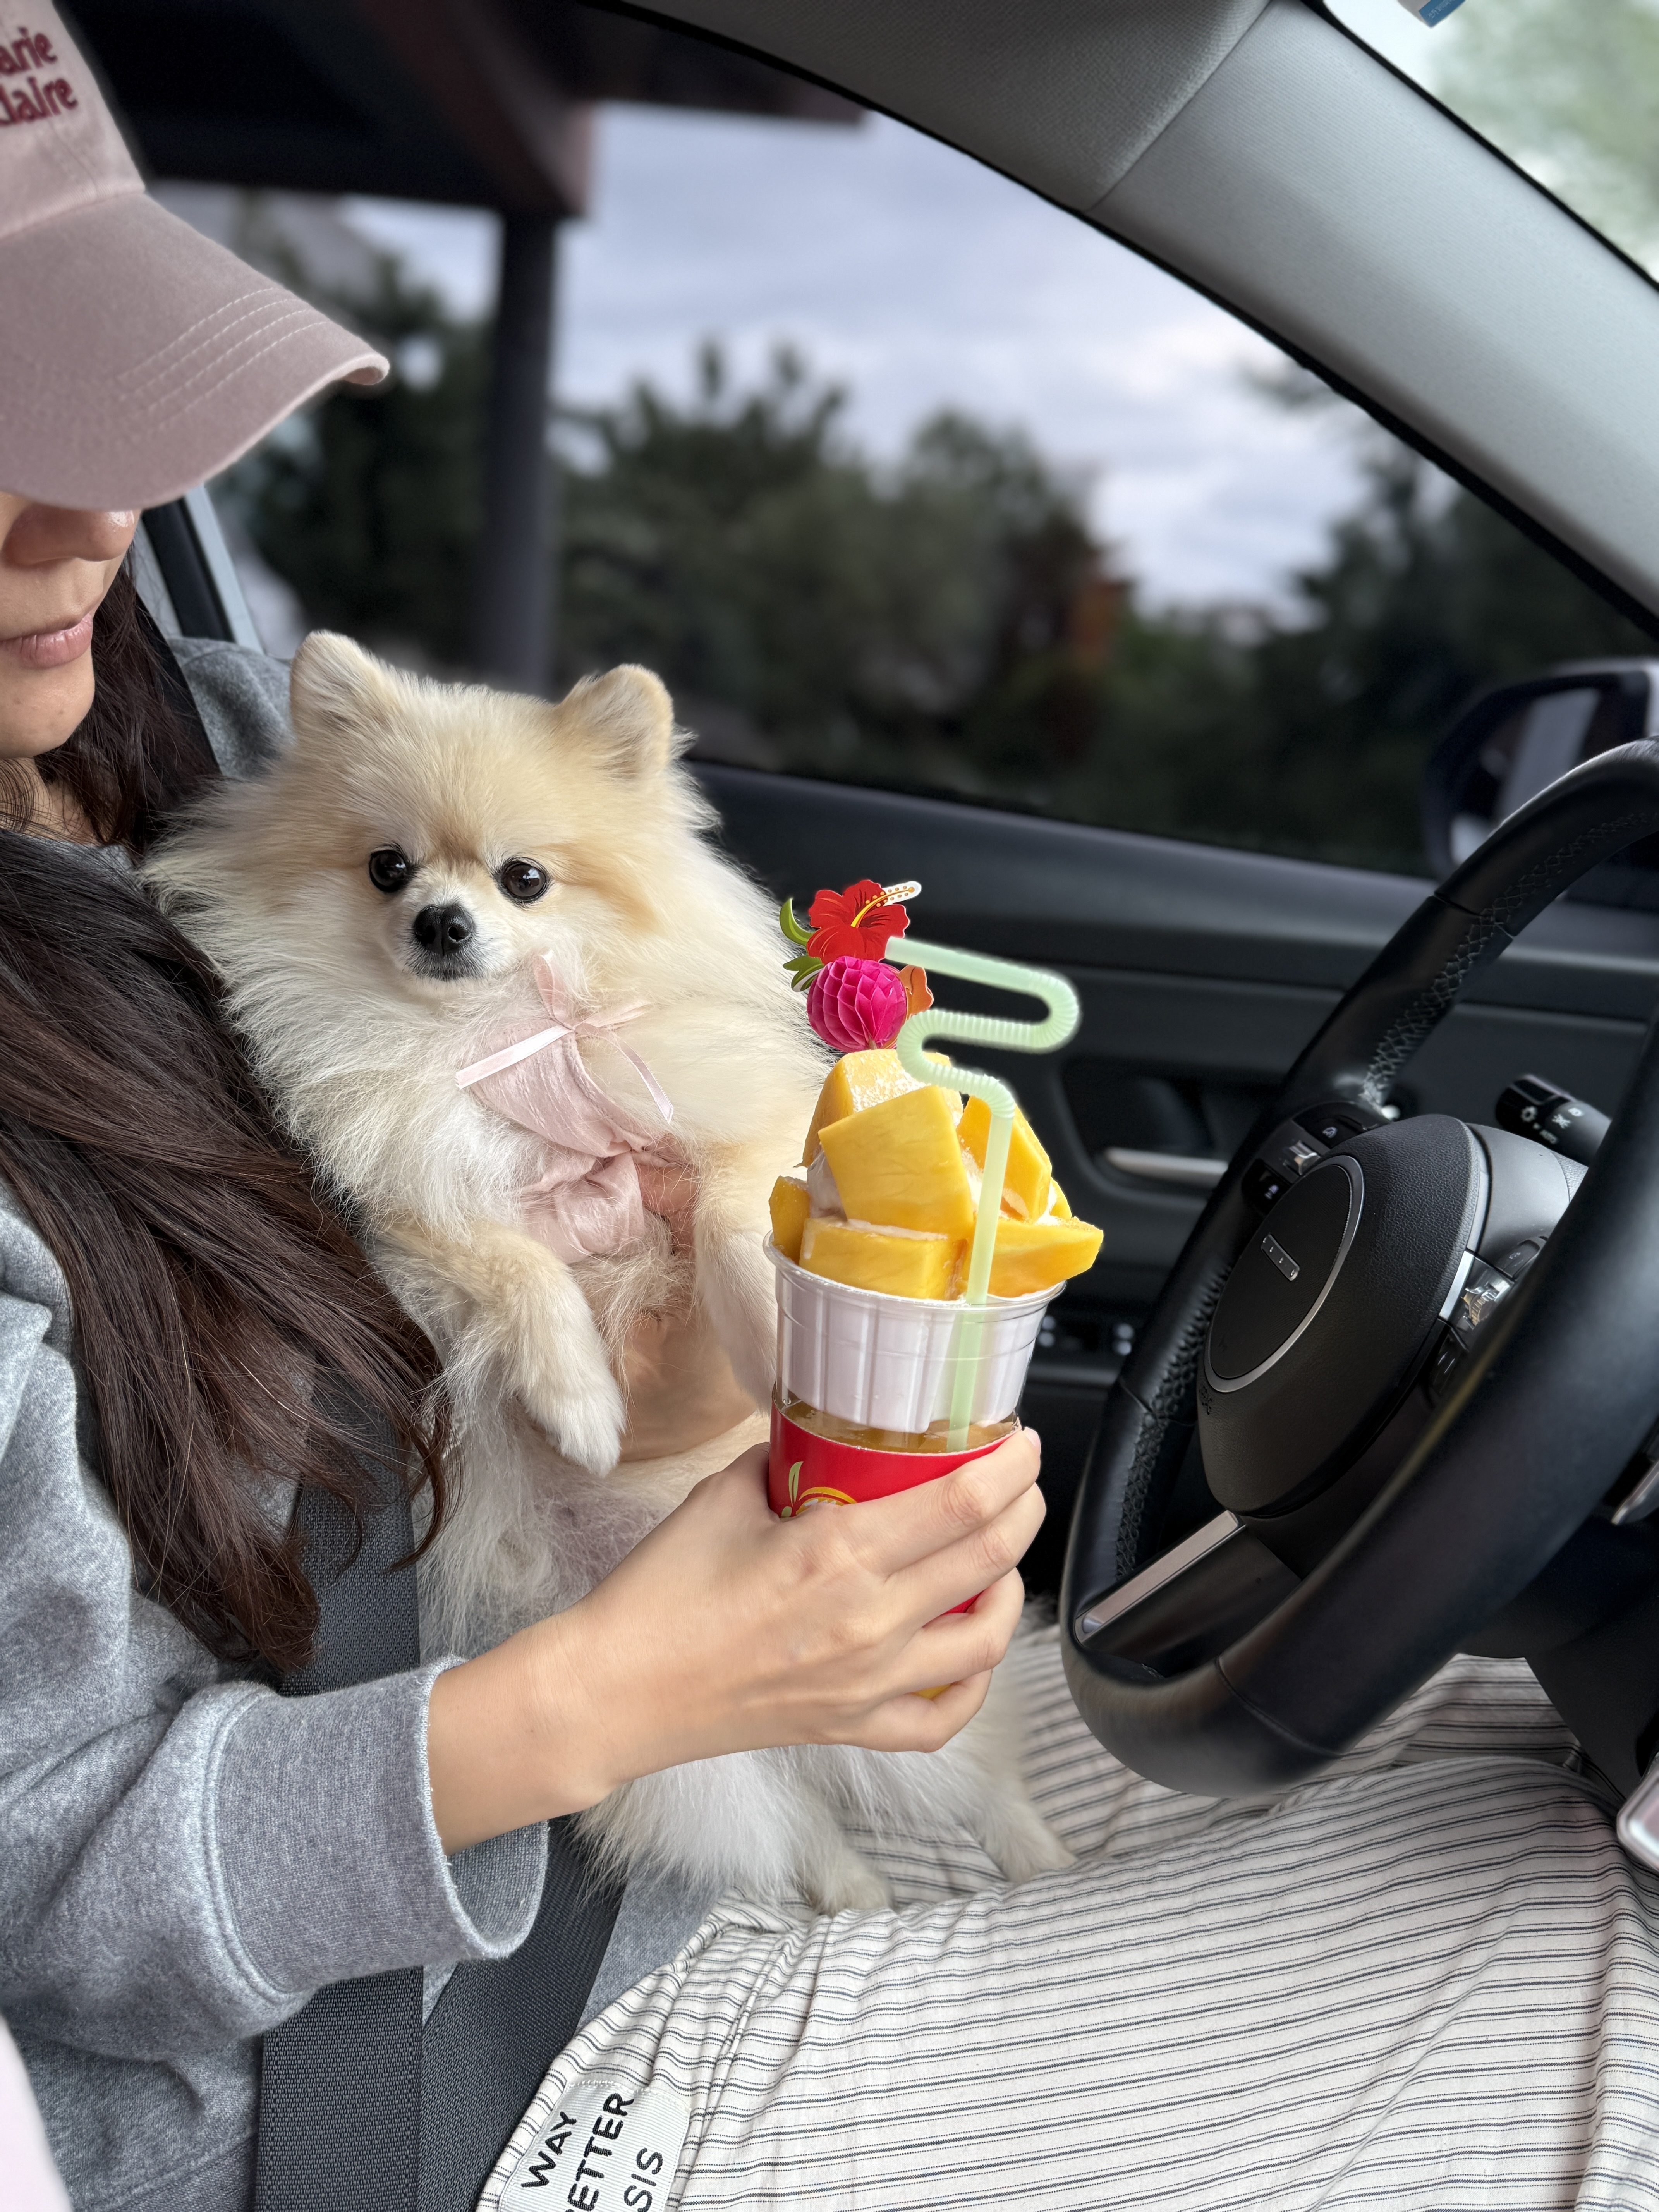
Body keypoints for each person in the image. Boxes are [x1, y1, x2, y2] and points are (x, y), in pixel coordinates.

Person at [3, 12, 1656, 2212]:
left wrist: (742, 1363)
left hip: (639, 1763)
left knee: (1502, 1732)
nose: (90, 514)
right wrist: (627, 1687)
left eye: (105, 400)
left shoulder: (210, 749)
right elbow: (53, 1888)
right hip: (405, 2077)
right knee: (1609, 1957)